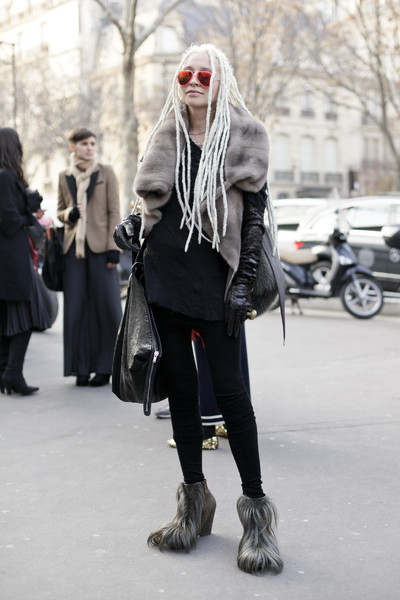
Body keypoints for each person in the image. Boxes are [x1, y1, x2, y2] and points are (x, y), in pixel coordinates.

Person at [114, 43, 283, 575]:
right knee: (184, 393)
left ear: (221, 81)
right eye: (185, 73)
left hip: (216, 285)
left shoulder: (244, 135)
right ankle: (192, 506)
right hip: (165, 281)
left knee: (231, 395)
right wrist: (130, 228)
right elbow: (152, 209)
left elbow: (253, 219)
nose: (192, 81)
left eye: (203, 75)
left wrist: (243, 284)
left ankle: (257, 520)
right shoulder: (165, 134)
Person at [57, 127, 122, 387]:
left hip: (102, 248)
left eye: (93, 143)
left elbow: (114, 212)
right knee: (76, 310)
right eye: (84, 144)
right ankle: (80, 368)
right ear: (73, 147)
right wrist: (69, 214)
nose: (89, 148)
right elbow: (60, 210)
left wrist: (114, 248)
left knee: (106, 308)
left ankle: (106, 368)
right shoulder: (64, 175)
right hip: (73, 251)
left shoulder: (106, 172)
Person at [0, 127, 51, 395]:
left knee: (8, 318)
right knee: (30, 314)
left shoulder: (6, 178)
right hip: (12, 260)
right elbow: (9, 221)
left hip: (10, 259)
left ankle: (6, 373)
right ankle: (12, 373)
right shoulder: (6, 177)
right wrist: (28, 213)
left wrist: (28, 208)